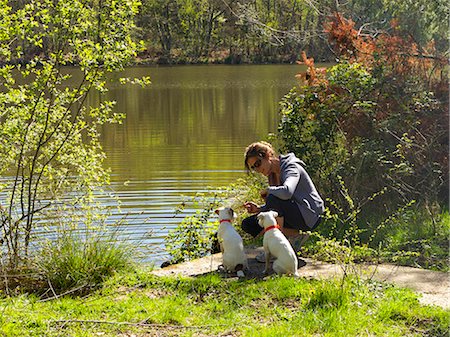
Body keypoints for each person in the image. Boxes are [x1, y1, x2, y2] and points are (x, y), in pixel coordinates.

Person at [242, 141, 324, 259]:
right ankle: (295, 236)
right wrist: (259, 209)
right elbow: (276, 208)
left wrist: (269, 190)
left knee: (272, 197)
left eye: (258, 163)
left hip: (309, 216)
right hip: (294, 213)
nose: (258, 169)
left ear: (267, 155)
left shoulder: (291, 167)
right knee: (249, 224)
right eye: (254, 167)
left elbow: (287, 192)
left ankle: (278, 250)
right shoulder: (272, 175)